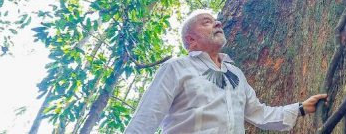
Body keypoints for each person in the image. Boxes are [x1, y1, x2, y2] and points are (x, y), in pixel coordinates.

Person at [125, 10, 327, 133]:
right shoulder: (176, 68)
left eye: (216, 21)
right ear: (191, 40)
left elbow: (260, 114)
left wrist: (300, 108)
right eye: (206, 22)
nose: (217, 23)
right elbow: (147, 117)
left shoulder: (236, 74)